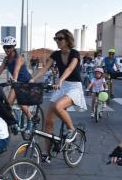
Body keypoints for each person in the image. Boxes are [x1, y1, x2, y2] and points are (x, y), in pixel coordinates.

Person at [30, 29, 86, 163]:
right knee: (48, 121)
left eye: (60, 38)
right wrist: (33, 79)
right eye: (55, 39)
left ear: (67, 40)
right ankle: (47, 154)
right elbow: (44, 68)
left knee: (58, 106)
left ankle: (72, 130)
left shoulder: (74, 53)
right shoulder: (55, 54)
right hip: (62, 86)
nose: (57, 41)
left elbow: (70, 68)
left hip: (73, 86)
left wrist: (60, 80)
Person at [0, 36, 33, 132]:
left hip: (26, 82)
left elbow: (16, 71)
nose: (6, 49)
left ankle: (30, 119)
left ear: (13, 47)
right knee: (8, 105)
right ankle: (13, 123)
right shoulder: (6, 59)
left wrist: (14, 79)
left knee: (21, 102)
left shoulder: (19, 58)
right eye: (5, 47)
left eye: (9, 47)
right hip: (16, 82)